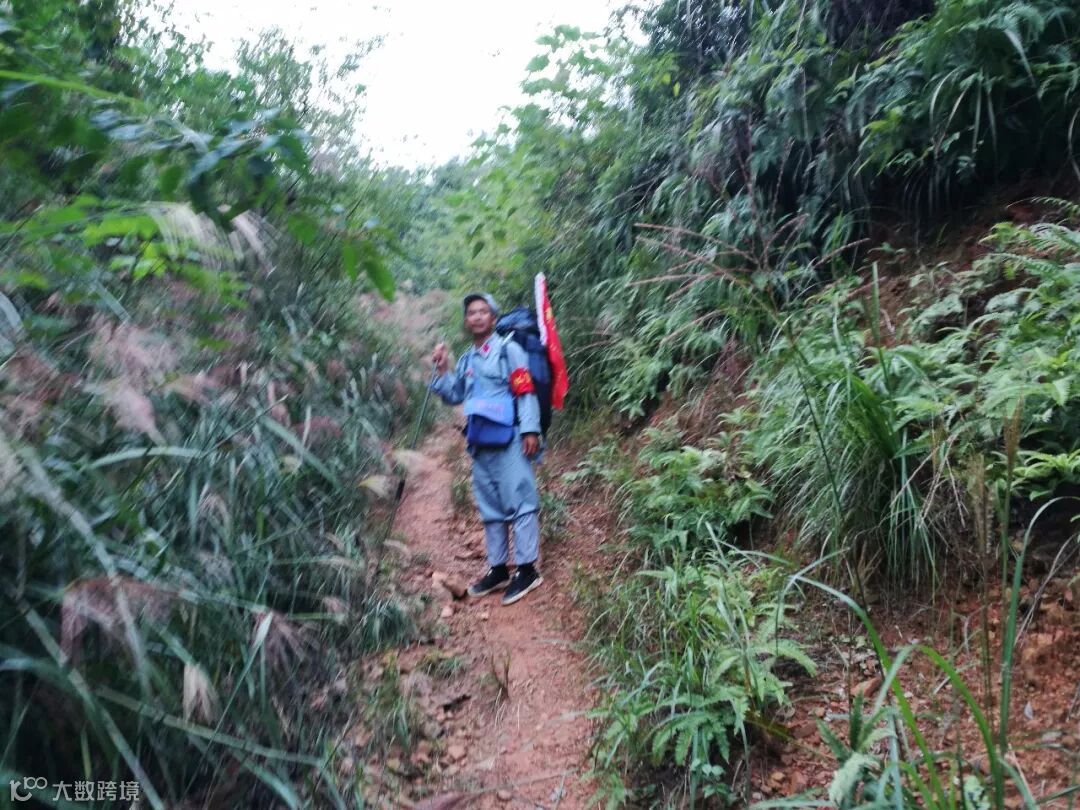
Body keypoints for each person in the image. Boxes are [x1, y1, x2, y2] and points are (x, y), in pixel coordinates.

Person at [430, 293, 544, 605]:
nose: (477, 316)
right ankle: (498, 568)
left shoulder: (509, 350)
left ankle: (527, 570)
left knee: (521, 502)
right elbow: (455, 395)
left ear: (493, 319)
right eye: (471, 313)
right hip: (480, 442)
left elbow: (525, 390)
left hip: (510, 439)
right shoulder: (467, 359)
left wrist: (530, 429)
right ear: (466, 322)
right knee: (491, 507)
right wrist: (442, 370)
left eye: (483, 311)